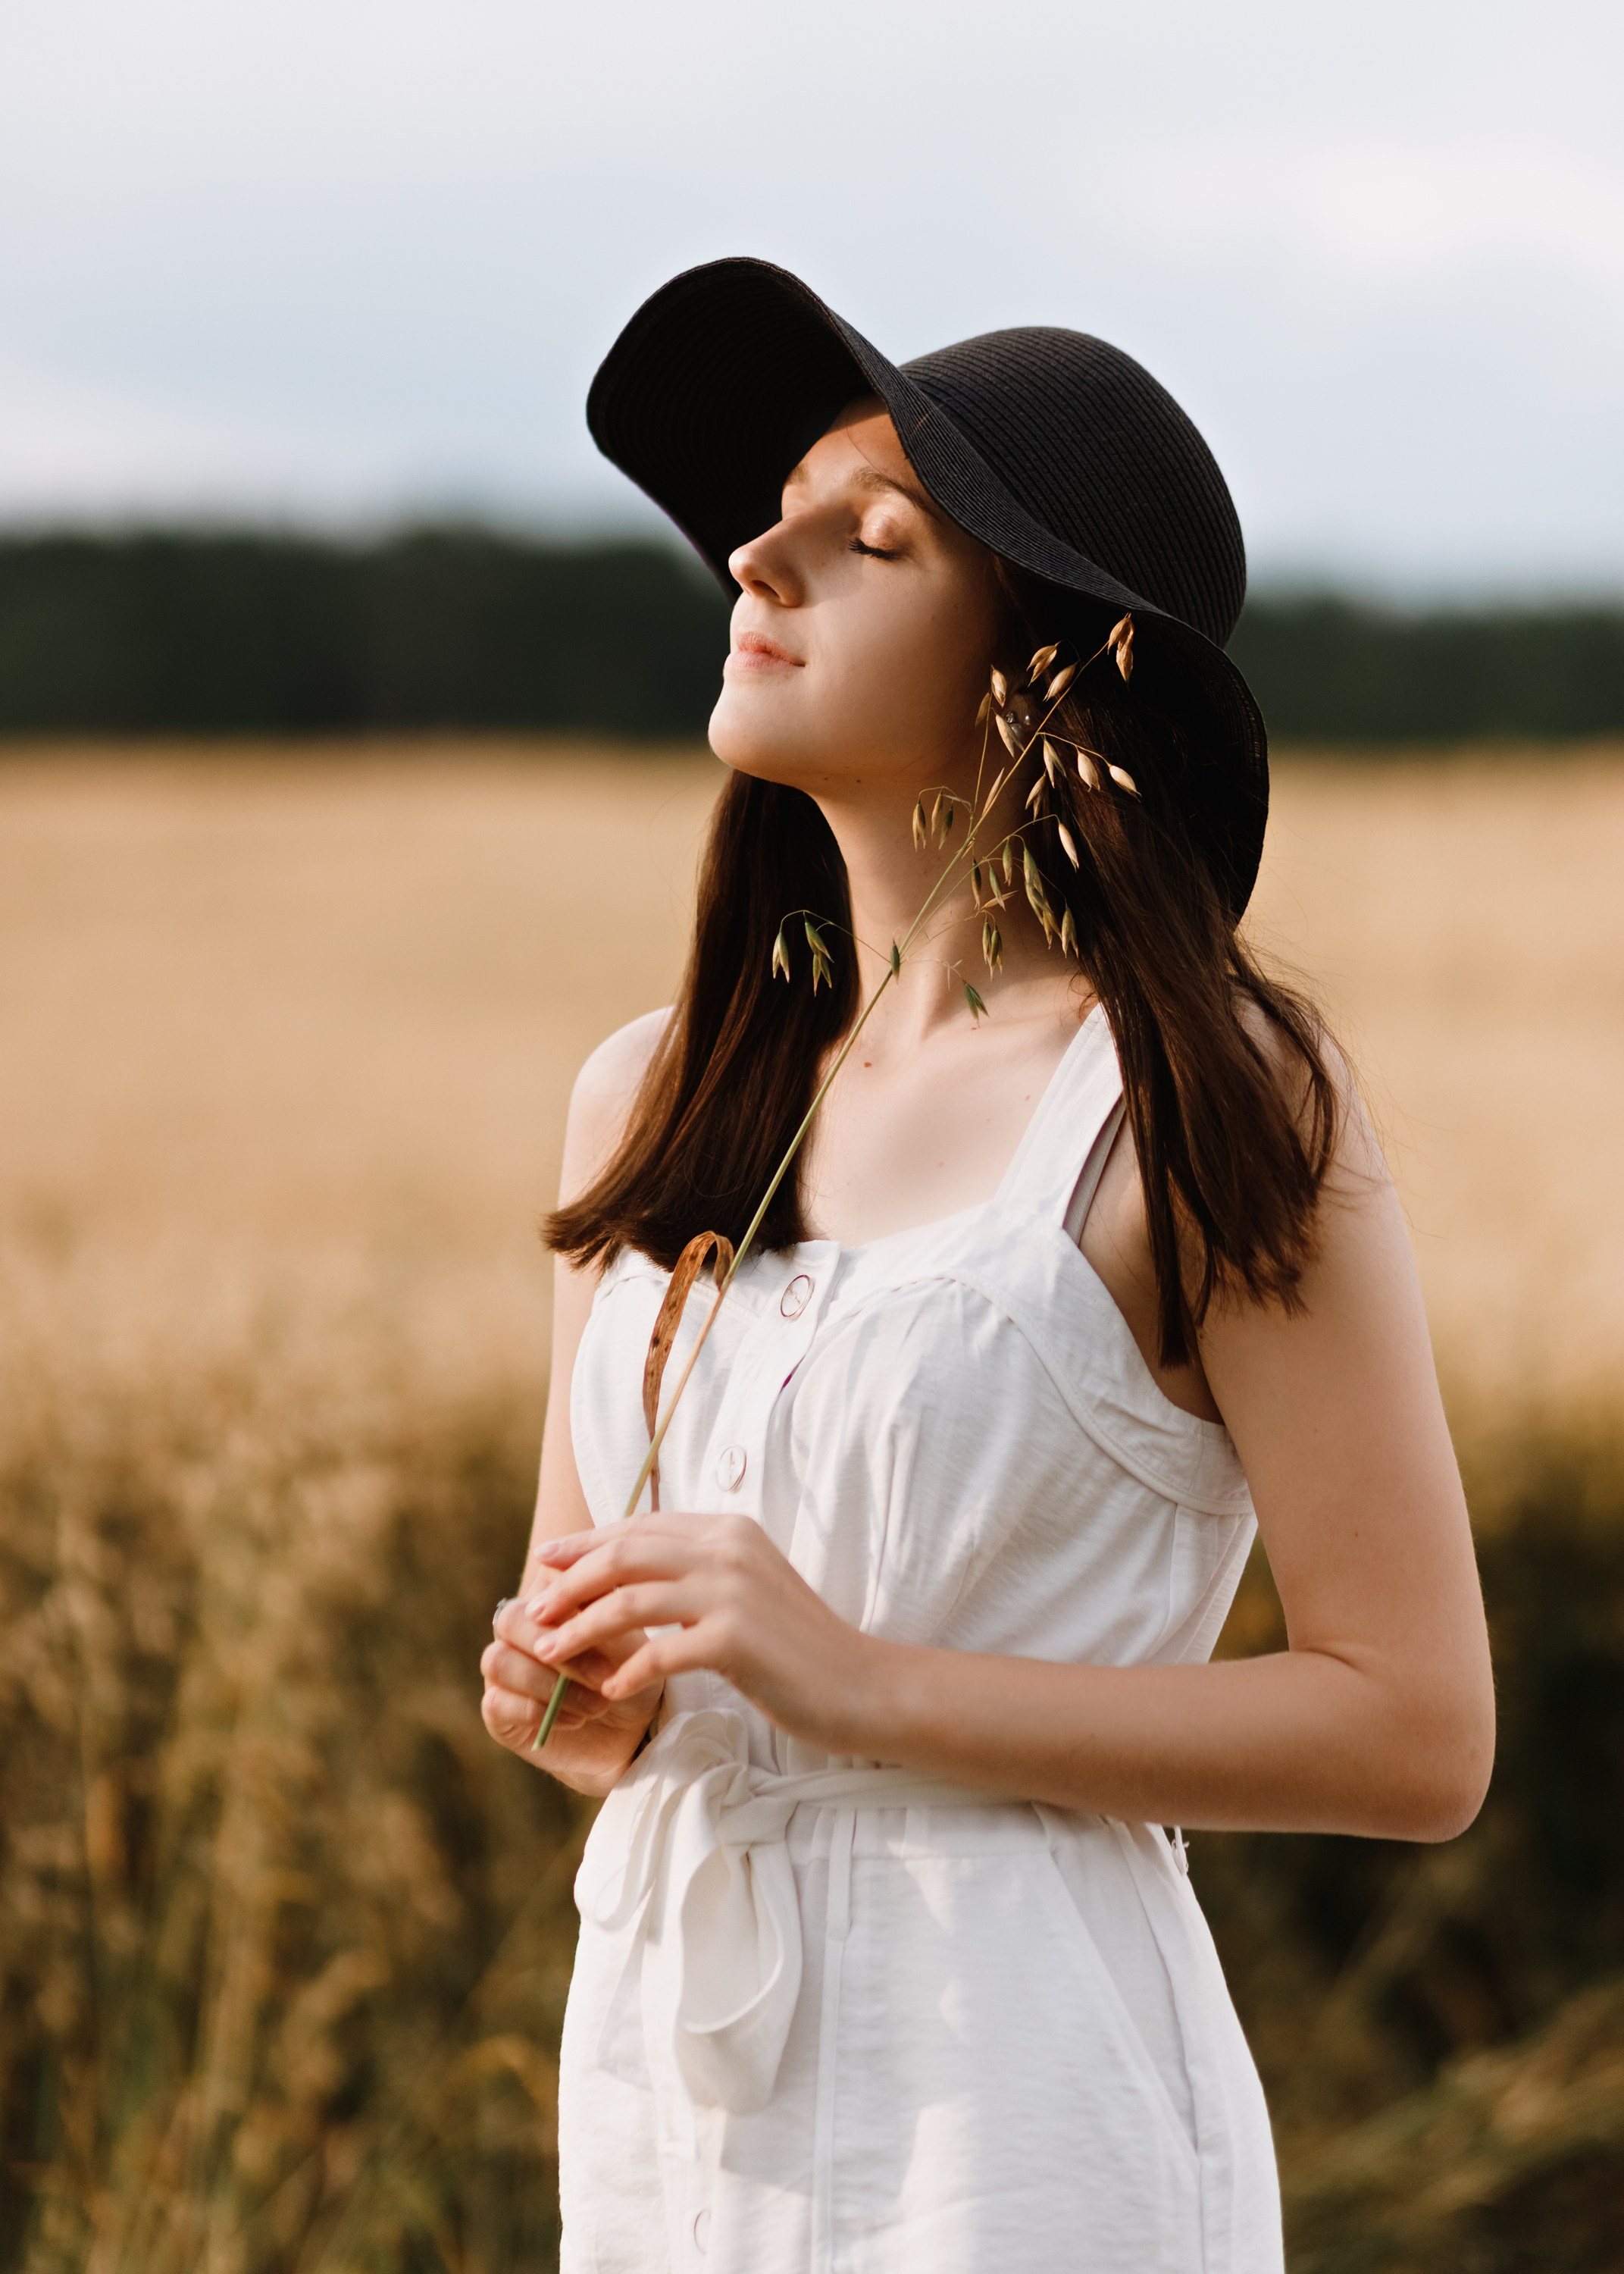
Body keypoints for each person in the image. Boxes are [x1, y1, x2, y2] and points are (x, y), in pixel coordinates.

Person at [480, 258, 1494, 2274]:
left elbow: (1417, 1730)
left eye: (867, 536)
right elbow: (589, 1658)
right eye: (767, 514)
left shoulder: (1199, 1106)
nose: (756, 554)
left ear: (1051, 667)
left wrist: (859, 1682)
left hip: (1020, 2126)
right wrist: (566, 1695)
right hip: (678, 2106)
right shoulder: (649, 1100)